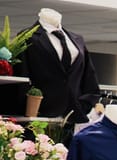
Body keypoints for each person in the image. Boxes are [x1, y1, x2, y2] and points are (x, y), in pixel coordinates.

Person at [14, 8, 101, 146]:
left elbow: (88, 75)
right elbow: (21, 75)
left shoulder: (76, 39)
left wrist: (84, 104)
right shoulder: (27, 36)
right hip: (41, 116)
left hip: (71, 116)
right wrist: (29, 111)